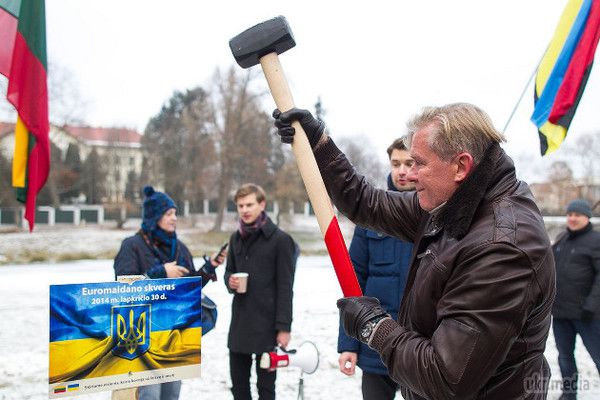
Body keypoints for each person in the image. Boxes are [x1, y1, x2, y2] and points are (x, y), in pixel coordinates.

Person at [273, 103, 555, 399]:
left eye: (419, 163)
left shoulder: (501, 247)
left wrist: (375, 327)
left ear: (461, 166)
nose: (410, 175)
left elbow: (446, 377)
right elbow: (365, 201)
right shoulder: (453, 203)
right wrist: (318, 144)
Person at [114, 185, 226, 400]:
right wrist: (160, 273)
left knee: (171, 396)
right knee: (148, 395)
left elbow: (187, 289)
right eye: (168, 214)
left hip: (175, 336)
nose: (174, 218)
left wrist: (208, 269)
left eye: (175, 213)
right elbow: (122, 289)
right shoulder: (132, 246)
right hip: (142, 338)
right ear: (154, 216)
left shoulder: (179, 247)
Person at [337, 138, 414, 400]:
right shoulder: (373, 214)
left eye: (409, 163)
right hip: (375, 344)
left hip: (421, 350)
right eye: (396, 164)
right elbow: (353, 282)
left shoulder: (438, 216)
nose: (402, 171)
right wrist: (348, 344)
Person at [224, 183, 297, 400]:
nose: (244, 210)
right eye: (240, 206)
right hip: (239, 325)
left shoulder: (281, 240)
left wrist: (284, 328)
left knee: (266, 390)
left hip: (268, 327)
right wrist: (230, 282)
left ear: (262, 204)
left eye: (249, 204)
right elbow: (229, 272)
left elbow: (286, 287)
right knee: (239, 389)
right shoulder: (235, 238)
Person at [551, 199, 600, 400]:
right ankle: (569, 394)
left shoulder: (596, 241)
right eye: (569, 214)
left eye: (577, 215)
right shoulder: (562, 239)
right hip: (561, 313)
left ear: (587, 217)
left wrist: (592, 305)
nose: (572, 218)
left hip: (588, 315)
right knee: (565, 357)